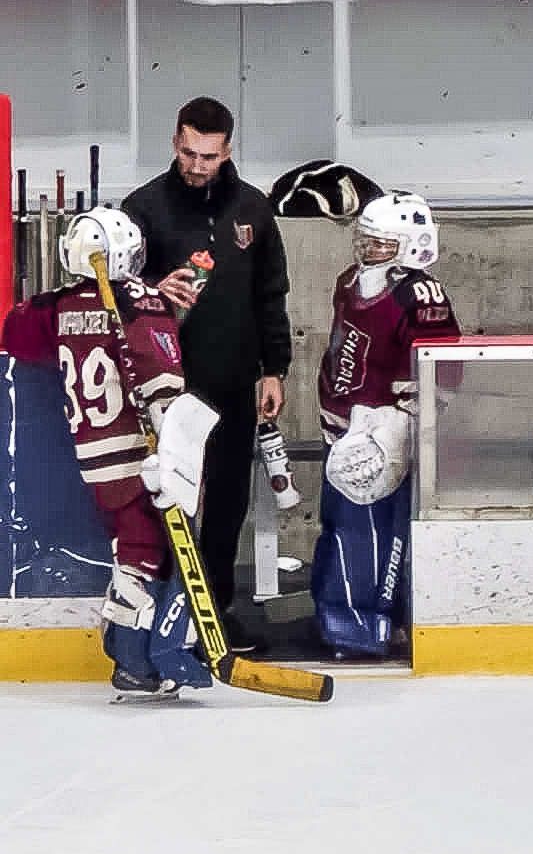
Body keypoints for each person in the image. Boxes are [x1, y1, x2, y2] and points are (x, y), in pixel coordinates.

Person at [2, 207, 215, 699]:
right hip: (140, 452)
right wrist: (176, 457)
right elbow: (165, 388)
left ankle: (135, 650)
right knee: (148, 553)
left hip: (91, 455)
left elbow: (16, 338)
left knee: (134, 547)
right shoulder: (142, 301)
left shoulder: (52, 306)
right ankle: (135, 657)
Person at [123, 96, 290, 656]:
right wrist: (151, 290)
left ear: (228, 150)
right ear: (175, 141)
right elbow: (112, 298)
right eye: (190, 152)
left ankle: (216, 611)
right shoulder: (142, 208)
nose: (198, 165)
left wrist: (275, 370)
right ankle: (168, 615)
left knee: (225, 503)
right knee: (168, 501)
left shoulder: (254, 210)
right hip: (166, 387)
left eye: (209, 156)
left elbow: (272, 298)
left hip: (234, 382)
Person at [312, 193, 461, 660]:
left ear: (413, 245)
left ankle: (366, 626)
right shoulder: (350, 281)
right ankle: (338, 617)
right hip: (340, 431)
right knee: (337, 529)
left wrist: (403, 422)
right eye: (366, 240)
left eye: (380, 243)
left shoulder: (420, 296)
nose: (367, 250)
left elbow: (446, 370)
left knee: (371, 534)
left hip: (380, 439)